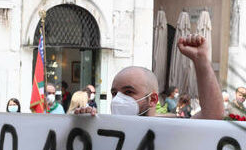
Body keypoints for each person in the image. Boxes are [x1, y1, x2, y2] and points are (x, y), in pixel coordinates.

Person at [75, 34, 223, 120]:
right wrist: (83, 123)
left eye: (128, 92)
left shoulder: (171, 129)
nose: (118, 99)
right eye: (114, 93)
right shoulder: (103, 126)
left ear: (152, 99)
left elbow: (213, 116)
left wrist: (200, 59)